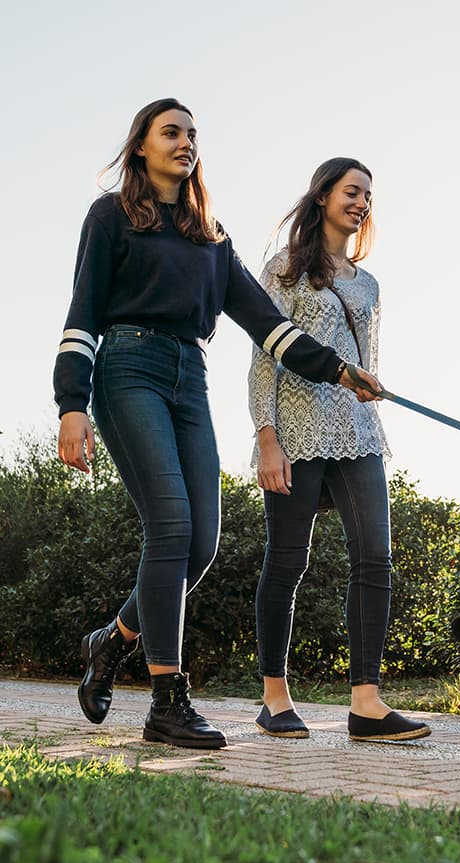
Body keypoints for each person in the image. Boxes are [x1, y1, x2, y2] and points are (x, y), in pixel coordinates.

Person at [54, 99, 380, 750]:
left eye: (192, 134)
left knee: (198, 545)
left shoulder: (211, 236)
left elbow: (269, 326)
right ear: (141, 145)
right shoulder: (112, 216)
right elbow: (83, 310)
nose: (185, 142)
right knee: (170, 525)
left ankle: (110, 641)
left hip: (188, 377)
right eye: (170, 132)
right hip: (128, 367)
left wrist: (342, 372)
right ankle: (168, 702)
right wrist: (71, 403)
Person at [248, 158, 430, 742]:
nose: (362, 203)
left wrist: (373, 383)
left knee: (374, 558)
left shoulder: (368, 283)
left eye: (368, 197)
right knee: (287, 561)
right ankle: (274, 697)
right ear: (323, 195)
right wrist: (266, 437)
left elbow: (365, 363)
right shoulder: (284, 270)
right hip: (297, 430)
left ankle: (366, 704)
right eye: (352, 191)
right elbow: (262, 357)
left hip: (357, 434)